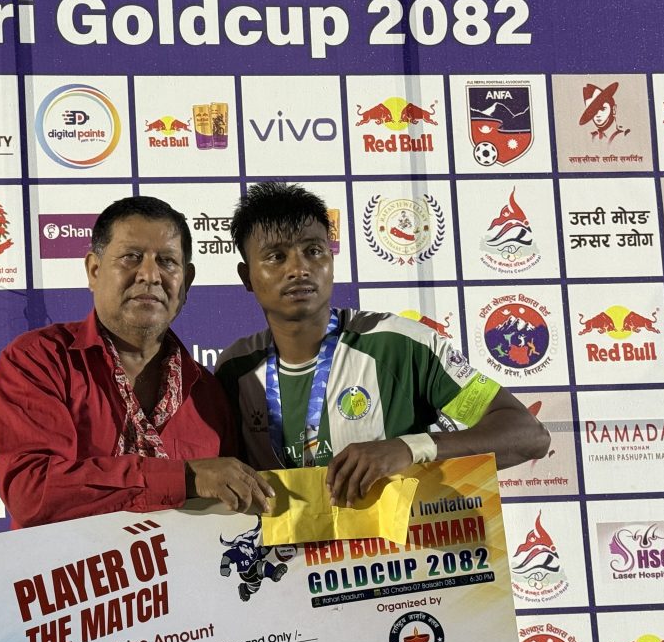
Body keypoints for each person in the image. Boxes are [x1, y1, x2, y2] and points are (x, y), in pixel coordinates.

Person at [215, 182, 550, 507]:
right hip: (288, 547)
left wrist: (410, 448)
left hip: (395, 547)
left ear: (331, 260)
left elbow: (528, 435)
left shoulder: (399, 344)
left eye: (313, 251)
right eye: (276, 256)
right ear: (247, 276)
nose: (299, 269)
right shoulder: (236, 367)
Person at [0, 196, 273, 527]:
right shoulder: (39, 360)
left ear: (187, 281)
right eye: (131, 257)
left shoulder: (208, 395)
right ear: (94, 270)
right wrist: (185, 477)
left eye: (167, 261)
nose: (150, 275)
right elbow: (32, 491)